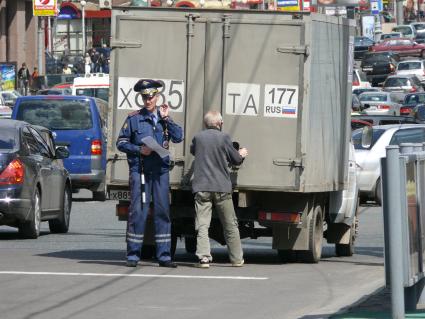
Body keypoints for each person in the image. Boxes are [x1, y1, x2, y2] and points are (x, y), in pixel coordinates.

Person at [116, 79, 183, 268]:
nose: (148, 100)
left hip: (160, 171)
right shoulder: (134, 118)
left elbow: (179, 136)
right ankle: (133, 255)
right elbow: (120, 143)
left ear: (157, 97)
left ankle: (164, 256)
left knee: (163, 212)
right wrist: (139, 150)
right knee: (138, 211)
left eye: (151, 97)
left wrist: (167, 118)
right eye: (145, 97)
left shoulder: (163, 118)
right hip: (141, 171)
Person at [190, 110, 248, 268]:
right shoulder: (224, 138)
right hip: (221, 188)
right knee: (230, 224)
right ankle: (236, 259)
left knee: (202, 224)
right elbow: (235, 160)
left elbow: (193, 151)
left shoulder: (198, 138)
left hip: (202, 187)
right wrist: (241, 153)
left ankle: (203, 258)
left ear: (205, 123)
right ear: (219, 123)